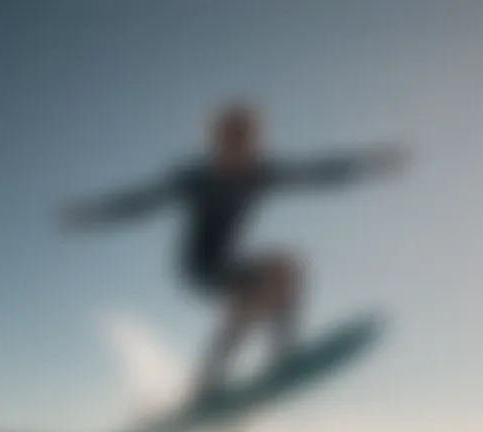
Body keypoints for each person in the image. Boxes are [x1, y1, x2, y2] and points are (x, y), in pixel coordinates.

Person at [61, 103, 409, 401]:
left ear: (255, 143)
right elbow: (142, 201)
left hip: (232, 265)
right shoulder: (195, 178)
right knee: (255, 295)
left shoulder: (261, 174)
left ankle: (282, 357)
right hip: (198, 268)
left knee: (287, 266)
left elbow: (318, 172)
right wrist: (95, 215)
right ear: (215, 144)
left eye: (247, 143)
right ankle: (209, 381)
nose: (239, 151)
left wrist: (370, 163)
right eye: (230, 143)